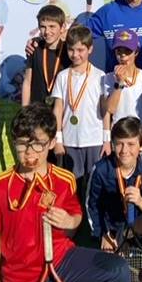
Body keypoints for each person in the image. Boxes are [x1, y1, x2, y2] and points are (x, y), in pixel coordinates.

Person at [0, 103, 131, 282]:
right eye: (22, 144)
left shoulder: (64, 179)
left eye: (38, 144)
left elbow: (75, 217)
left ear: (51, 143)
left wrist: (70, 221)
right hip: (20, 275)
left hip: (61, 259)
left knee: (119, 270)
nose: (29, 152)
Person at [86, 117, 142, 262]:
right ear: (112, 144)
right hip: (112, 227)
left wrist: (141, 202)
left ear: (141, 146)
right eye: (119, 144)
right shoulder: (101, 169)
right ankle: (120, 246)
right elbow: (92, 205)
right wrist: (104, 234)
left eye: (131, 144)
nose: (124, 150)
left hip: (138, 222)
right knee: (114, 264)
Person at [52, 25, 106, 190]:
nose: (75, 54)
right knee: (73, 185)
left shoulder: (100, 76)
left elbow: (105, 111)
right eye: (71, 50)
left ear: (90, 49)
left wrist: (107, 139)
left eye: (80, 50)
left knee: (94, 183)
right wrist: (58, 139)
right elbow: (58, 109)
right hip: (70, 140)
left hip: (94, 139)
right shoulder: (62, 76)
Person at [102, 29, 142, 155]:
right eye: (119, 52)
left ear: (136, 52)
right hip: (120, 136)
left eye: (128, 52)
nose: (123, 56)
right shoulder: (108, 78)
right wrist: (119, 83)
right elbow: (110, 109)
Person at [21, 5, 71, 106]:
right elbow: (27, 82)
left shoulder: (69, 51)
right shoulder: (34, 47)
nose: (47, 32)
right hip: (37, 107)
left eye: (52, 26)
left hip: (61, 108)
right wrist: (24, 109)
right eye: (43, 27)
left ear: (62, 27)